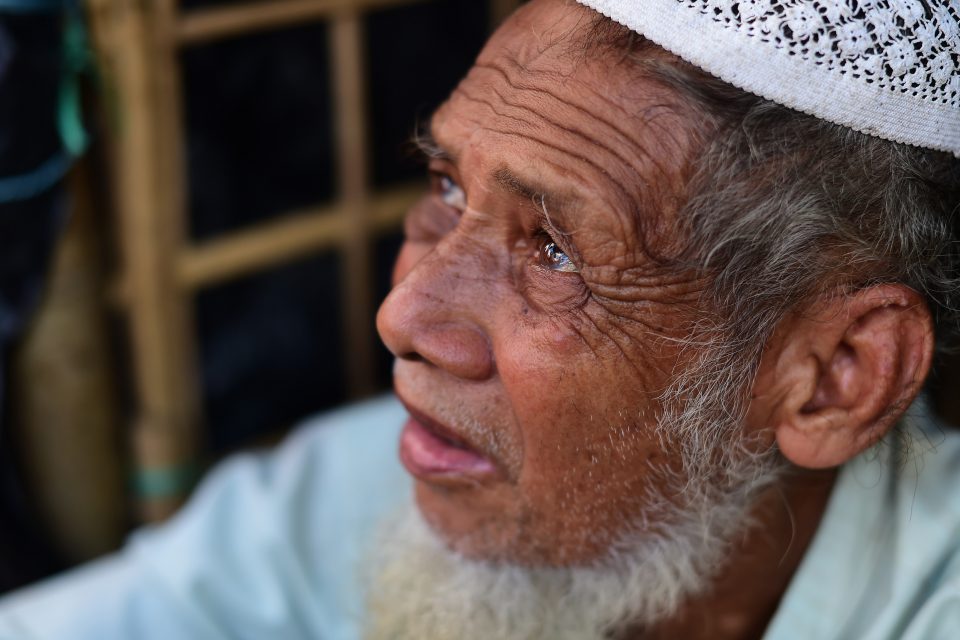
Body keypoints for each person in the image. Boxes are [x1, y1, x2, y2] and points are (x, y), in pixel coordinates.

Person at [2, 0, 960, 638]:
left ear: (837, 375)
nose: (402, 314)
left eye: (556, 251)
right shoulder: (382, 483)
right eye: (447, 187)